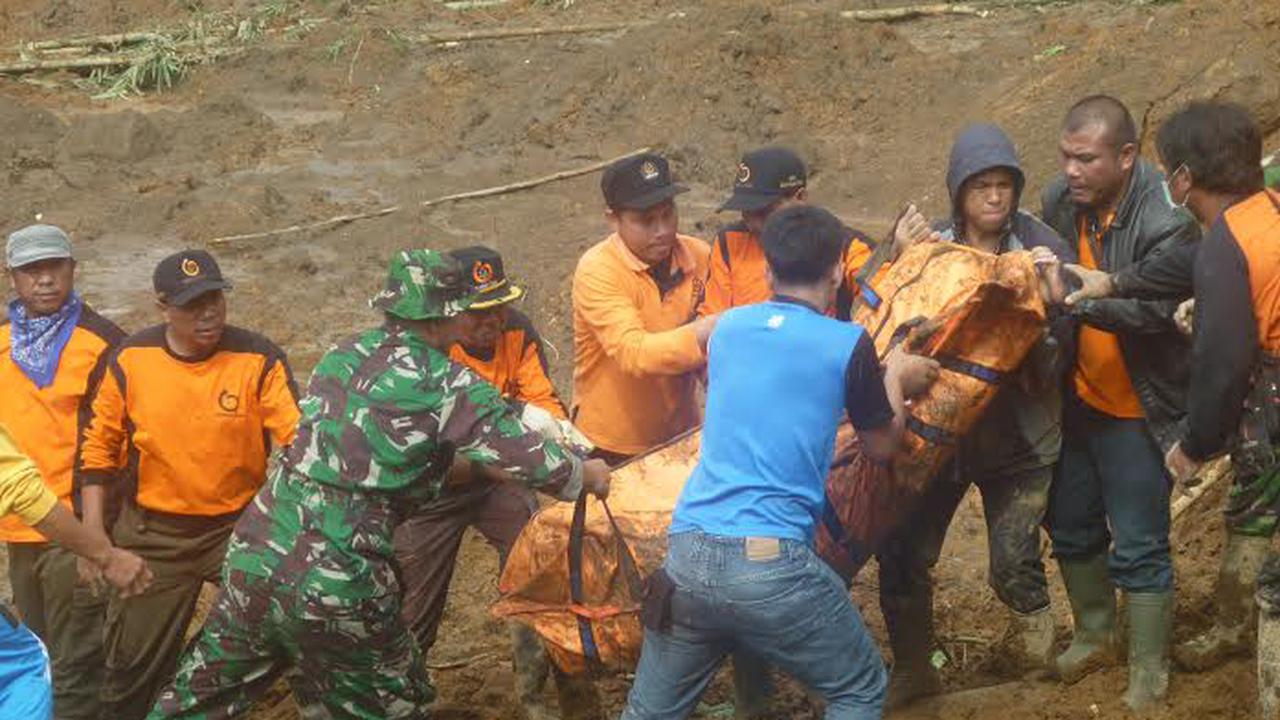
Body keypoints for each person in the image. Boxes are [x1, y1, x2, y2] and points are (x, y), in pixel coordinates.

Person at [149, 248, 611, 719]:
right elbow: (534, 462)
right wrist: (587, 474)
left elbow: (370, 445)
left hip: (258, 551)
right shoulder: (447, 382)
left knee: (192, 702)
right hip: (341, 572)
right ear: (448, 316)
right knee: (392, 702)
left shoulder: (341, 356)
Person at [619, 205, 940, 720]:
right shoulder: (847, 343)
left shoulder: (727, 330)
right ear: (838, 271)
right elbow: (881, 446)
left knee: (648, 713)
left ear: (768, 272)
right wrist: (897, 376)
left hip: (687, 554)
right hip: (769, 565)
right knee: (859, 688)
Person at [1042, 102, 1280, 705]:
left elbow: (1220, 365)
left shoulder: (1226, 241)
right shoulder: (1265, 211)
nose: (1072, 170)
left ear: (1180, 179)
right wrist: (1113, 282)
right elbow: (1183, 266)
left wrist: (1196, 444)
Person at [874, 124, 1074, 708]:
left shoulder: (1040, 246)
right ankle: (914, 667)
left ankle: (1035, 665)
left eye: (1004, 185)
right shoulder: (931, 247)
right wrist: (898, 262)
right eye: (981, 186)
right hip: (940, 437)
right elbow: (885, 323)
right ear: (958, 192)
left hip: (1018, 433)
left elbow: (1067, 340)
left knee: (1013, 561)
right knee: (905, 551)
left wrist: (1045, 301)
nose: (995, 197)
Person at [75, 250, 302, 720]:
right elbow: (97, 452)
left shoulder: (257, 358)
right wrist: (93, 533)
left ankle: (202, 674)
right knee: (130, 668)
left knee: (294, 610)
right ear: (163, 308)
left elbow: (300, 440)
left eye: (215, 299)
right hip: (155, 536)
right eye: (193, 304)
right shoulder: (131, 360)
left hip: (238, 527)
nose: (209, 313)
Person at [1039, 95, 1199, 710]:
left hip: (1140, 406)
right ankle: (1097, 633)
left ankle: (1150, 665)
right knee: (1073, 523)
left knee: (1139, 538)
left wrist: (1077, 298)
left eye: (1086, 159)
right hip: (1077, 397)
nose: (1071, 171)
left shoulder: (1167, 220)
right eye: (1066, 157)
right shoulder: (1061, 200)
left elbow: (1159, 309)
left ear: (1127, 156)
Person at [392, 245, 587, 720]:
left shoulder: (516, 330)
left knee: (537, 566)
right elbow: (423, 448)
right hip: (433, 489)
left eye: (498, 306)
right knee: (413, 604)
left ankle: (550, 700)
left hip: (499, 478)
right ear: (450, 311)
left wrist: (559, 437)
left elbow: (542, 400)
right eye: (479, 312)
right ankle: (398, 701)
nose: (492, 321)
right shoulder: (427, 349)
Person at [0, 224, 125, 719]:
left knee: (77, 661)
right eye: (32, 270)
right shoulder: (1, 342)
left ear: (73, 269)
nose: (45, 280)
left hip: (71, 527)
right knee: (38, 651)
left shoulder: (105, 343)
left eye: (54, 267)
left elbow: (113, 448)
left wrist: (95, 538)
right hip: (19, 529)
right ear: (12, 278)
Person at [572, 152, 716, 465]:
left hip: (681, 436)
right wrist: (707, 332)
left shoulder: (700, 255)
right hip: (609, 445)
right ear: (613, 219)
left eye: (668, 214)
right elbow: (634, 353)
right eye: (646, 220)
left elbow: (710, 351)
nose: (662, 229)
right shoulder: (598, 270)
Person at [0, 421, 151, 720]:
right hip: (47, 528)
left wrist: (94, 530)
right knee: (32, 669)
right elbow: (16, 484)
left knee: (70, 667)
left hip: (67, 530)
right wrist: (103, 554)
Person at [700, 146, 936, 318]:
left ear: (801, 198)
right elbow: (711, 323)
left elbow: (887, 301)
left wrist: (906, 260)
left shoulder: (843, 246)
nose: (752, 223)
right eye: (745, 212)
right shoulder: (729, 243)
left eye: (764, 212)